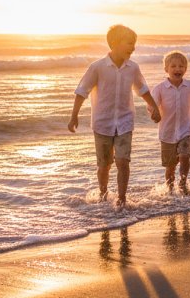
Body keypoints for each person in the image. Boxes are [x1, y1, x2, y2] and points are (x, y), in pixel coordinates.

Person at [68, 24, 161, 207]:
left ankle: (121, 198)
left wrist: (154, 107)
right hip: (102, 123)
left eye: (134, 43)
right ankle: (103, 194)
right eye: (129, 43)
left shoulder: (133, 68)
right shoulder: (97, 67)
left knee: (123, 161)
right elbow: (82, 91)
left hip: (125, 122)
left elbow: (142, 89)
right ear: (115, 43)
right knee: (104, 165)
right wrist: (74, 116)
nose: (133, 47)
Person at [151, 50, 190, 194]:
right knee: (170, 166)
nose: (177, 69)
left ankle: (183, 183)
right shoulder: (159, 88)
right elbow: (152, 104)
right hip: (167, 133)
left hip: (185, 130)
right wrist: (153, 112)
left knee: (185, 156)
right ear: (166, 69)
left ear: (185, 69)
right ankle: (170, 189)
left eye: (181, 66)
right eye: (173, 66)